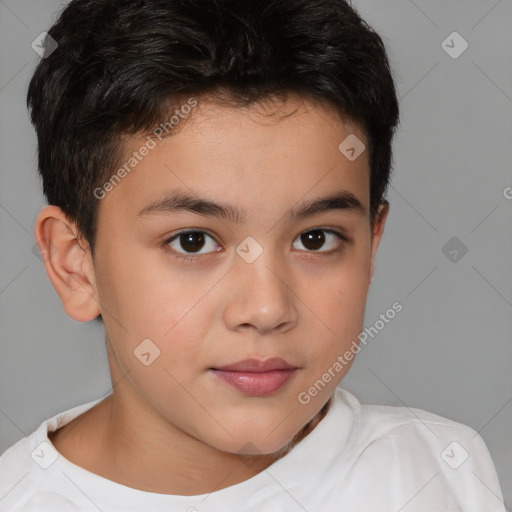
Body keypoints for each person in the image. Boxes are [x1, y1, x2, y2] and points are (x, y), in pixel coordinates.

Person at [0, 0, 506, 510]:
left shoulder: (441, 471)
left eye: (316, 239)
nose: (266, 310)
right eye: (192, 241)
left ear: (371, 247)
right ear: (76, 265)